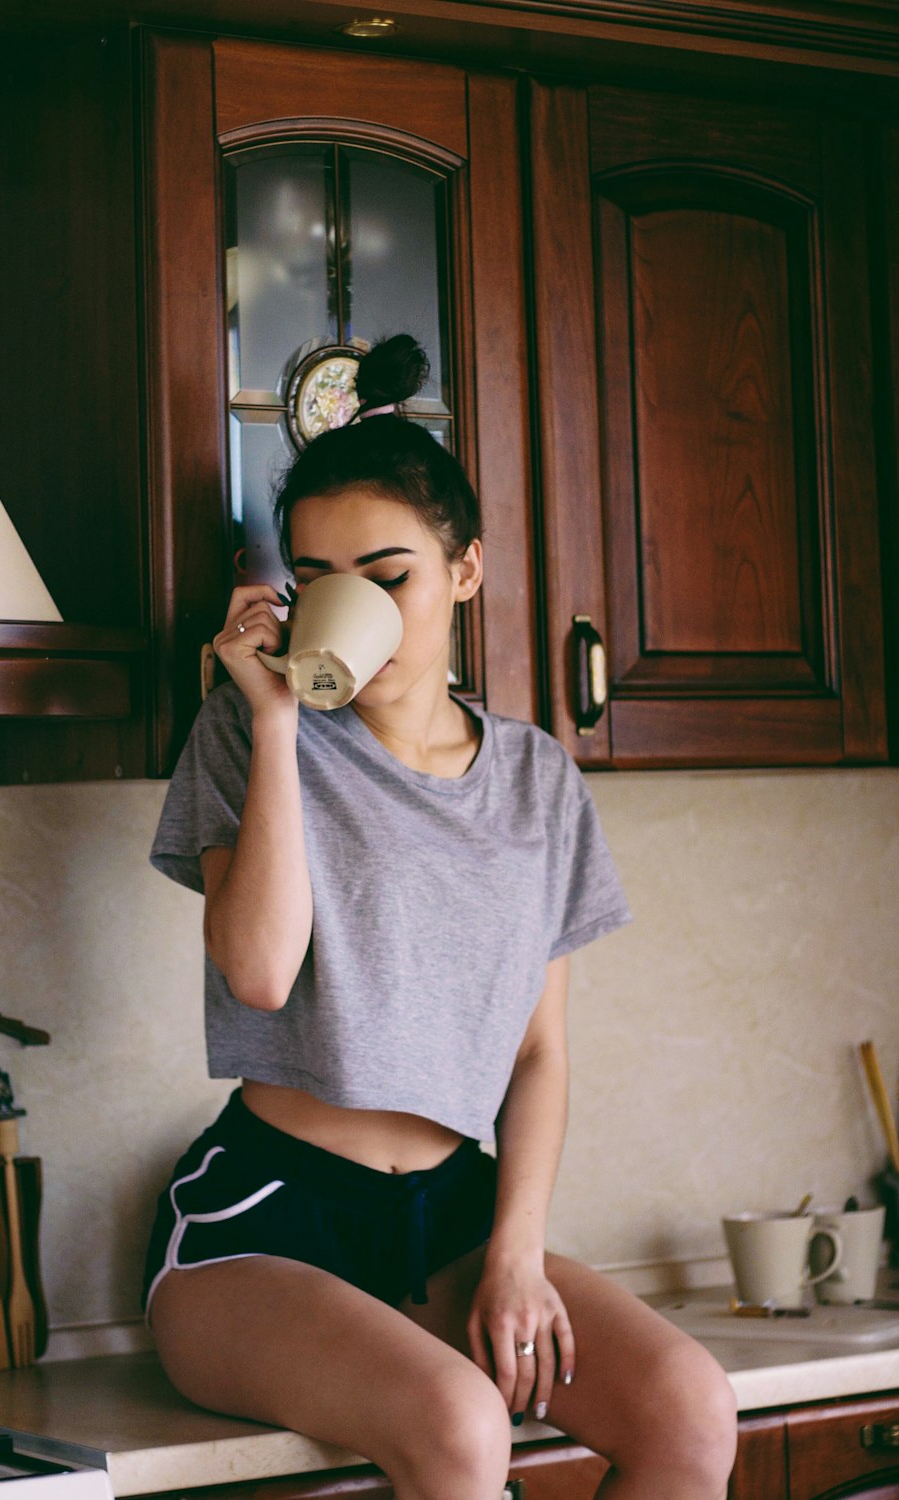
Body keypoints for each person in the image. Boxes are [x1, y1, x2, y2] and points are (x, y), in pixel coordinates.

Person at [144, 336, 738, 1499]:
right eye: (316, 577)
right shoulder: (244, 739)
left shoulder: (535, 778)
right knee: (464, 1427)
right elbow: (259, 977)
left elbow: (539, 1049)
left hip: (456, 1215)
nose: (349, 602)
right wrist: (269, 723)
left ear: (465, 572)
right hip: (262, 1219)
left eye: (387, 572)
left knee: (688, 1406)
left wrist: (515, 1251)